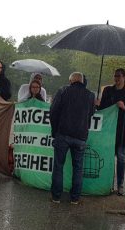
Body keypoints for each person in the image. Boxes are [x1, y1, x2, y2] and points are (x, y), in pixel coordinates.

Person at [50, 72, 95, 204]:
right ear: (82, 81)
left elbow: (53, 111)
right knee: (78, 168)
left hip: (62, 134)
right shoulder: (91, 95)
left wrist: (55, 131)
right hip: (81, 136)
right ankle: (75, 198)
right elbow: (91, 113)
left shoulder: (63, 91)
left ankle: (56, 197)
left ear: (71, 81)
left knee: (58, 166)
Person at [97, 68, 125, 196]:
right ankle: (108, 184)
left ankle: (120, 184)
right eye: (115, 76)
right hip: (108, 130)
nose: (116, 78)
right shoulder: (108, 90)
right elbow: (102, 108)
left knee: (120, 157)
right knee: (108, 158)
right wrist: (98, 104)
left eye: (119, 76)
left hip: (122, 130)